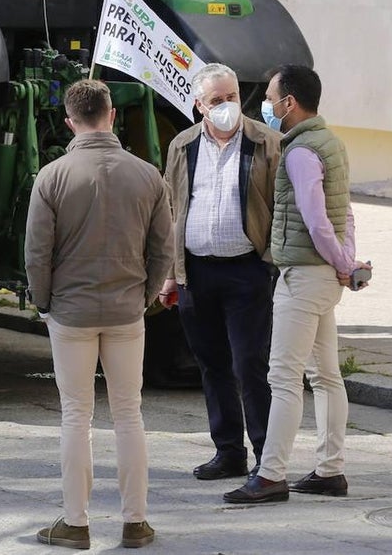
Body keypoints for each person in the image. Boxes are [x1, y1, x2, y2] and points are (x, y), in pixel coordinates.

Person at [25, 79, 173, 550]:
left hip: (70, 312)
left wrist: (45, 302)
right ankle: (136, 522)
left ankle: (76, 522)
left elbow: (36, 254)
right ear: (112, 115)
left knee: (77, 416)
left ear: (71, 121)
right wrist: (144, 296)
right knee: (129, 415)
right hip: (127, 311)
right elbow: (162, 251)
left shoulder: (51, 176)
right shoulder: (149, 176)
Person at [224, 64, 370, 505]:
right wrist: (346, 263)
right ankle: (330, 470)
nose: (266, 105)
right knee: (326, 376)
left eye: (270, 97)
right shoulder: (331, 143)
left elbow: (317, 220)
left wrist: (343, 262)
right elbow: (344, 213)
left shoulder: (301, 152)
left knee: (283, 377)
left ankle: (270, 475)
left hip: (304, 277)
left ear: (290, 103)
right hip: (322, 277)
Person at [161, 63, 280, 481]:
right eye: (216, 100)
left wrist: (274, 263)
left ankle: (268, 457)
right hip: (196, 272)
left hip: (248, 272)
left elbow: (283, 207)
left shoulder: (267, 142)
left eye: (231, 97)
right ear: (199, 105)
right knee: (211, 365)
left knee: (250, 365)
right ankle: (229, 451)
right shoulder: (182, 145)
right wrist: (171, 273)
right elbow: (171, 209)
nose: (227, 106)